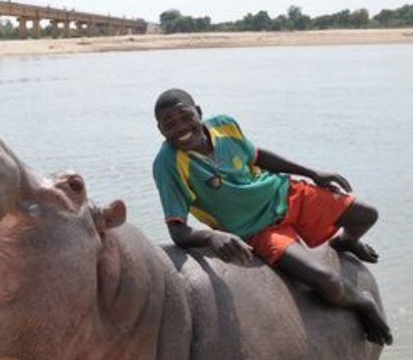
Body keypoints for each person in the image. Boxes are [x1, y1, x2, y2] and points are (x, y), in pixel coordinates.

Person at [151, 88, 392, 346]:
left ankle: (345, 242)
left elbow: (257, 156)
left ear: (198, 112)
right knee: (328, 282)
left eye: (185, 116)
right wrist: (211, 236)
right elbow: (177, 230)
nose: (181, 127)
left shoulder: (224, 126)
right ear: (161, 131)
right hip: (259, 230)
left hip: (285, 194)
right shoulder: (168, 165)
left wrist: (312, 173)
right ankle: (363, 302)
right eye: (170, 124)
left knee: (366, 215)